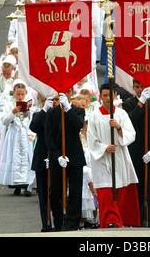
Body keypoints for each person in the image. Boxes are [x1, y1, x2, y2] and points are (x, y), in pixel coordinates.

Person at [87, 83, 141, 228]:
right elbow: (91, 139)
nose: (107, 99)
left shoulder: (121, 114)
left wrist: (118, 128)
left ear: (115, 96)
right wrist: (105, 148)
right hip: (103, 158)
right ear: (100, 97)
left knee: (120, 189)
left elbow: (131, 134)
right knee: (106, 190)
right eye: (104, 95)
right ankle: (110, 221)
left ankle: (122, 220)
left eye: (110, 95)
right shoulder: (94, 116)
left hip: (119, 155)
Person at [123, 80, 150, 227]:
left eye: (142, 87)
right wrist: (140, 104)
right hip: (135, 152)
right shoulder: (128, 104)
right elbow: (130, 122)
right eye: (137, 87)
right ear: (133, 88)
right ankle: (138, 219)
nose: (140, 89)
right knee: (137, 187)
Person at [45, 93, 86, 231]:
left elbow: (78, 125)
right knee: (55, 192)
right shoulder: (51, 113)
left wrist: (68, 108)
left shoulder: (78, 110)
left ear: (69, 94)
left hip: (75, 155)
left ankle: (72, 223)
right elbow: (48, 138)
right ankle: (59, 222)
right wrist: (57, 156)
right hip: (58, 157)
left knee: (75, 192)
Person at [0, 79, 35, 196]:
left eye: (22, 94)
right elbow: (4, 121)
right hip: (14, 135)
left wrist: (28, 112)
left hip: (25, 134)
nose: (20, 96)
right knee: (14, 157)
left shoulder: (29, 103)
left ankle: (27, 184)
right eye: (18, 94)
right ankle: (16, 184)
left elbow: (32, 119)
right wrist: (12, 113)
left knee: (27, 158)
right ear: (13, 93)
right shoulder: (9, 104)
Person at [29, 96, 55, 232]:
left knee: (56, 193)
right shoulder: (38, 114)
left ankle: (58, 221)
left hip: (57, 157)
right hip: (42, 157)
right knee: (43, 193)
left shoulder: (60, 114)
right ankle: (46, 223)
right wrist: (44, 110)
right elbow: (33, 127)